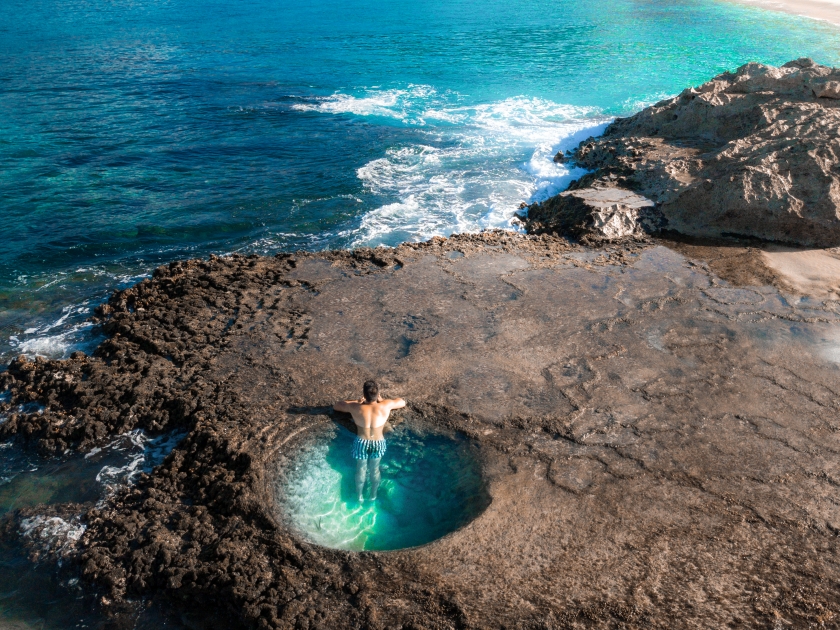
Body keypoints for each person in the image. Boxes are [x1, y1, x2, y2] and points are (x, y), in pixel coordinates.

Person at [333, 381, 405, 502]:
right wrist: (382, 400)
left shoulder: (355, 407)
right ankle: (373, 495)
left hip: (361, 442)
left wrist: (357, 401)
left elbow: (336, 405)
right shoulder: (385, 405)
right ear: (378, 394)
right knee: (374, 469)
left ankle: (359, 496)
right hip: (378, 442)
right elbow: (402, 402)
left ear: (364, 394)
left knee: (360, 469)